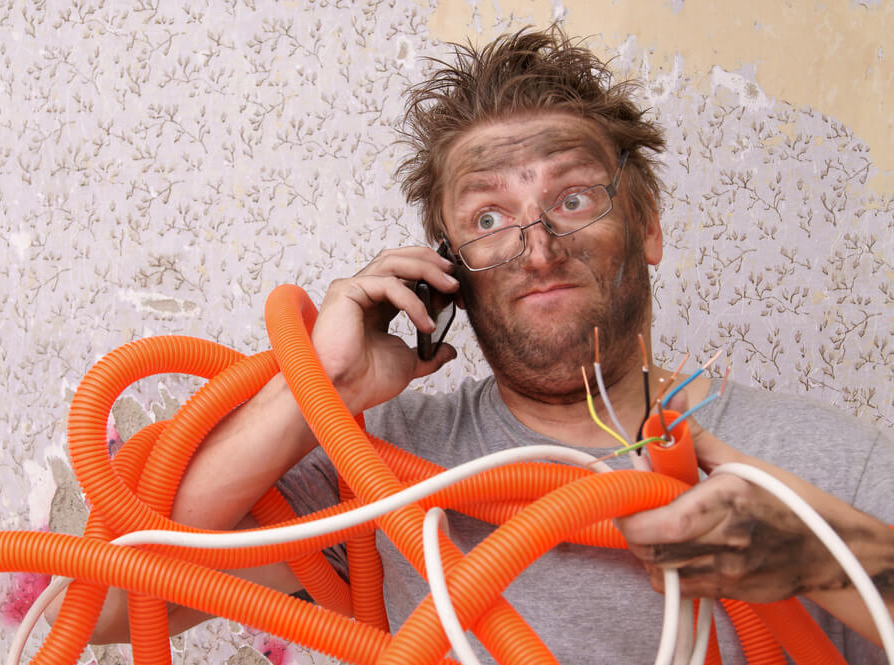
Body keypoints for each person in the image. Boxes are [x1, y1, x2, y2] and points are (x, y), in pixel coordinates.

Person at [86, 25, 894, 663]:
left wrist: (827, 556)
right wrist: (320, 386)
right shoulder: (381, 472)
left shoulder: (819, 459)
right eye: (488, 219)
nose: (537, 248)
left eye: (572, 197)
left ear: (648, 226)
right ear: (447, 271)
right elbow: (105, 605)